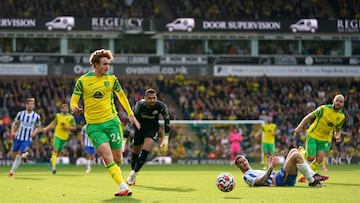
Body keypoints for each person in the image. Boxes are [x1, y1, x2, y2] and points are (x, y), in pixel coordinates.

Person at [70, 49, 140, 197]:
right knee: (107, 156)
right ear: (95, 64)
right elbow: (74, 100)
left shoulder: (112, 80)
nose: (107, 67)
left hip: (112, 123)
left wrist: (131, 114)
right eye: (104, 64)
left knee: (117, 158)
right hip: (94, 126)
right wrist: (74, 107)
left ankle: (118, 178)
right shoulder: (83, 81)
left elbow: (121, 96)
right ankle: (123, 186)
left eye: (108, 64)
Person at [294, 94, 345, 182]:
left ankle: (304, 177)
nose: (338, 103)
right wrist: (300, 126)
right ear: (333, 101)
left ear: (343, 104)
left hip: (325, 139)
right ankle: (301, 151)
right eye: (337, 101)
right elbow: (309, 117)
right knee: (311, 158)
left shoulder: (341, 117)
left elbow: (338, 129)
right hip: (313, 135)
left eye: (341, 102)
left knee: (319, 159)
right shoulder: (323, 109)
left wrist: (337, 136)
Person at [126, 88, 170, 186]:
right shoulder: (139, 105)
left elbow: (167, 120)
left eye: (154, 98)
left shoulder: (161, 106)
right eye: (149, 98)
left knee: (145, 151)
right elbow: (131, 121)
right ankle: (133, 175)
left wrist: (165, 138)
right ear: (145, 98)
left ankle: (132, 174)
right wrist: (125, 138)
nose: (152, 100)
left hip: (152, 129)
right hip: (139, 129)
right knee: (135, 153)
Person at [234, 148, 324, 187]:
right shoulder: (246, 176)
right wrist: (271, 167)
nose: (244, 163)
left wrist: (271, 167)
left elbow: (267, 175)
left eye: (244, 160)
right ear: (238, 167)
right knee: (296, 155)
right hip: (280, 180)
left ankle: (313, 176)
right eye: (241, 163)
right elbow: (261, 181)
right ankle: (312, 180)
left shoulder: (252, 171)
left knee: (294, 150)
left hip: (280, 177)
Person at [8, 97, 42, 178]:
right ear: (26, 105)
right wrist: (12, 131)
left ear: (33, 106)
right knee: (14, 156)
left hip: (27, 139)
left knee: (18, 155)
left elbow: (38, 127)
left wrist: (34, 132)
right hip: (18, 137)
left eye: (32, 104)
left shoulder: (36, 116)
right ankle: (24, 155)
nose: (30, 106)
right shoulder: (20, 114)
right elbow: (15, 123)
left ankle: (11, 172)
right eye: (28, 104)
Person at [43, 103, 76, 174]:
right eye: (63, 108)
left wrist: (67, 127)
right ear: (61, 109)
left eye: (66, 108)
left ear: (68, 109)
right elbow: (53, 123)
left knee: (58, 152)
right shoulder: (58, 116)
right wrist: (46, 128)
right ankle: (53, 167)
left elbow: (74, 127)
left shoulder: (71, 117)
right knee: (55, 150)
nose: (65, 109)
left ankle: (51, 161)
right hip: (57, 135)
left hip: (64, 138)